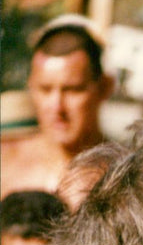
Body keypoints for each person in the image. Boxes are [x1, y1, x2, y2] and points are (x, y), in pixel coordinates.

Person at [0, 15, 114, 198]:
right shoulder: (5, 163)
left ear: (105, 88)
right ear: (31, 86)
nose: (57, 107)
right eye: (45, 90)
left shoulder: (125, 177)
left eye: (73, 90)